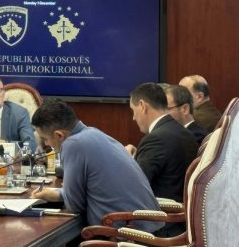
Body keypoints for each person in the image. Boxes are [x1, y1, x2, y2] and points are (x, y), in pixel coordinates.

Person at [31, 98, 162, 233]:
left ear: (59, 135)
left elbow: (75, 206)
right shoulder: (93, 132)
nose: (46, 144)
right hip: (150, 228)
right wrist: (58, 194)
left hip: (127, 235)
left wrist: (65, 196)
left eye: (45, 139)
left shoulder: (73, 144)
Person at [124, 83, 198, 202]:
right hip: (181, 208)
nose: (133, 118)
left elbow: (134, 185)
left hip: (160, 211)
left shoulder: (155, 139)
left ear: (142, 106)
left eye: (133, 110)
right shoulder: (185, 132)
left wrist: (125, 158)